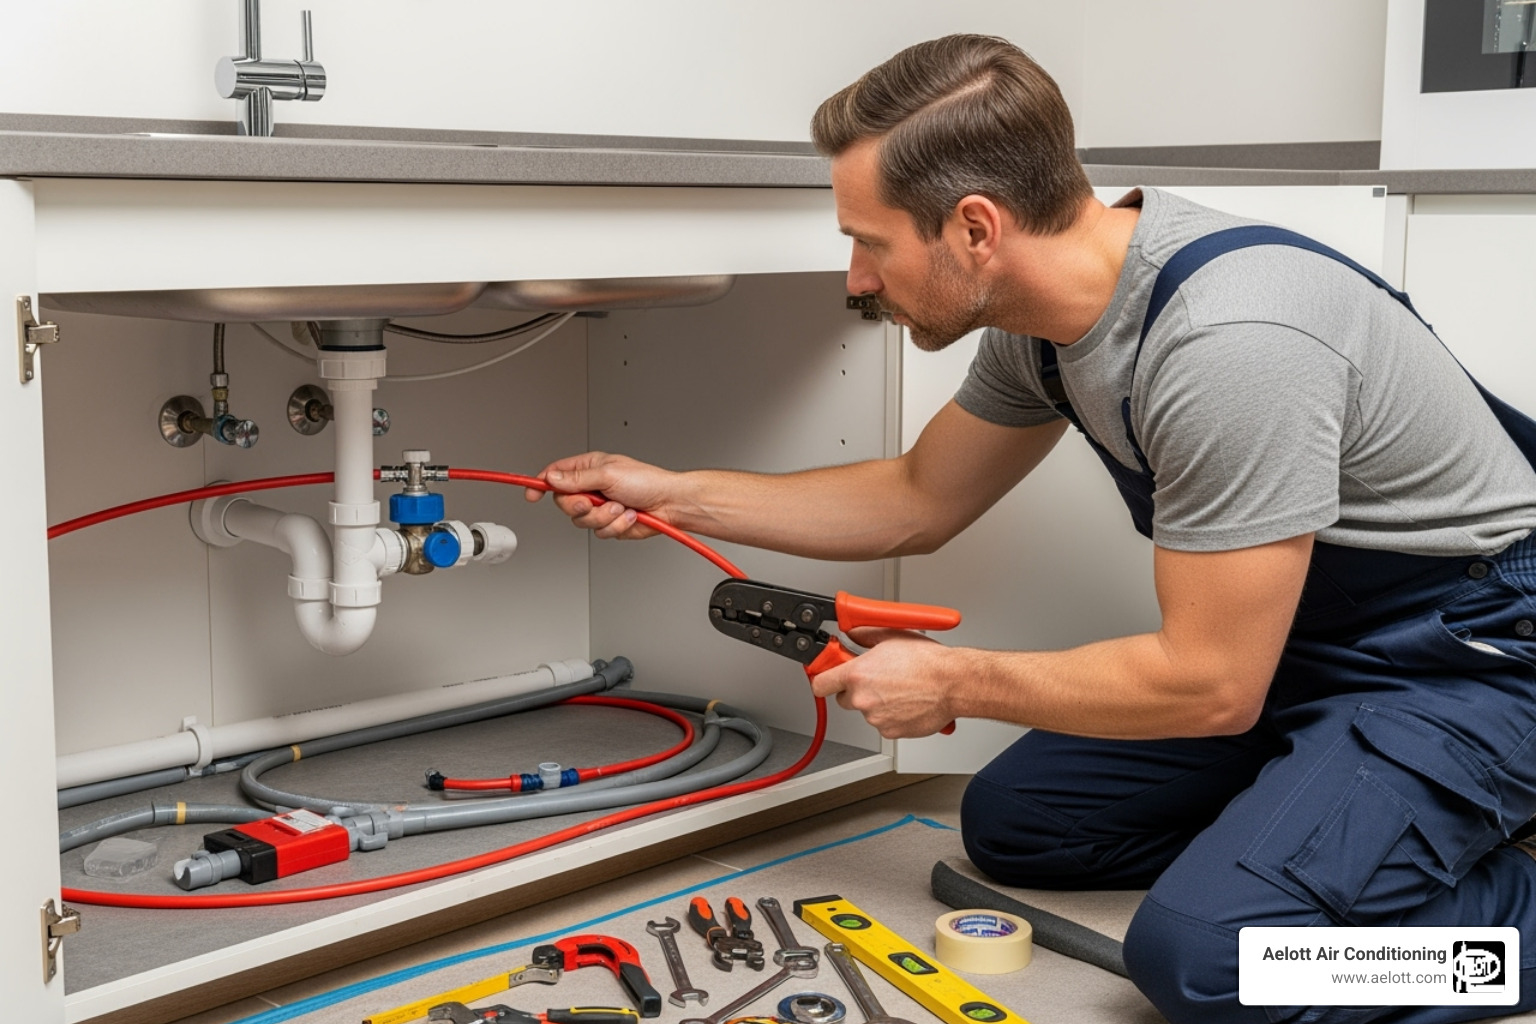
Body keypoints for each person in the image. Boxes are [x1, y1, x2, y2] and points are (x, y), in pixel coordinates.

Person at [526, 34, 1536, 1024]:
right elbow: (919, 495)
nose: (856, 279)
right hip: (1306, 657)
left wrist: (956, 679)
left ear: (975, 227)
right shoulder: (1047, 328)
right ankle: (1348, 822)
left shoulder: (1232, 342)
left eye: (869, 241)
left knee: (1215, 960)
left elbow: (1214, 685)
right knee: (1021, 826)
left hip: (1470, 668)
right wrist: (673, 494)